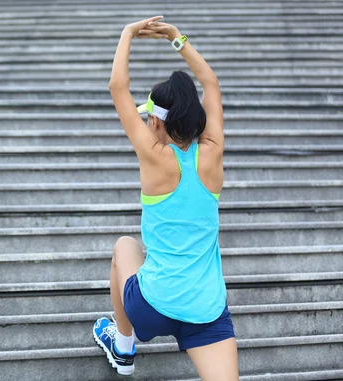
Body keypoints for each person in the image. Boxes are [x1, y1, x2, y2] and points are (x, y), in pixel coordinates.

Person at [93, 16, 239, 380]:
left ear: (157, 123)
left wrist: (127, 33)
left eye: (147, 119)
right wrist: (177, 37)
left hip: (151, 306)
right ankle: (122, 347)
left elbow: (117, 87)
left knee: (125, 246)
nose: (144, 125)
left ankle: (123, 347)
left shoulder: (154, 157)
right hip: (205, 310)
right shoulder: (213, 152)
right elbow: (211, 83)